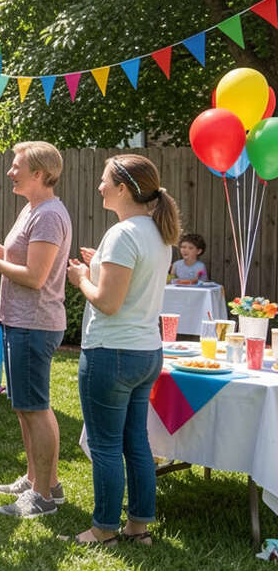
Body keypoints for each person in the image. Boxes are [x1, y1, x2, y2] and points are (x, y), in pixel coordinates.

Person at [64, 154, 180, 546]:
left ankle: (103, 529)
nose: (99, 186)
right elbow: (133, 287)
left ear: (123, 189)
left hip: (111, 354)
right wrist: (100, 266)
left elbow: (108, 303)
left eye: (104, 181)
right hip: (146, 353)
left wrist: (82, 278)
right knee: (136, 442)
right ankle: (139, 527)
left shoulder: (123, 233)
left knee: (106, 446)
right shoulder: (157, 233)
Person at [0, 141, 71, 519]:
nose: (10, 172)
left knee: (36, 409)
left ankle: (43, 496)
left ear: (40, 174)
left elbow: (36, 276)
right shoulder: (33, 209)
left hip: (34, 323)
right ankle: (38, 480)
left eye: (17, 167)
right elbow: (24, 259)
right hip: (21, 322)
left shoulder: (47, 216)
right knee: (26, 409)